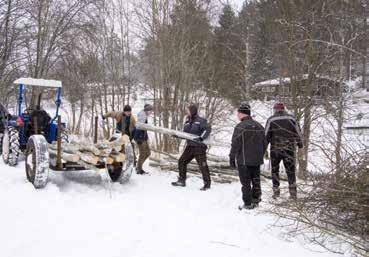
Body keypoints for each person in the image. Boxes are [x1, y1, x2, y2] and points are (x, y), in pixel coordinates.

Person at [229, 103, 267, 210]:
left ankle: (248, 203)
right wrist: (260, 154)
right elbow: (265, 143)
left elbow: (235, 143)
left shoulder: (240, 127)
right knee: (256, 180)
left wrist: (232, 157)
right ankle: (256, 199)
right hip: (256, 160)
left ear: (242, 113)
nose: (237, 115)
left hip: (244, 160)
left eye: (238, 113)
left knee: (245, 183)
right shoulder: (259, 126)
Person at [265, 102, 303, 200]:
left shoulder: (271, 119)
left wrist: (264, 148)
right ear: (284, 109)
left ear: (275, 110)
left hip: (275, 149)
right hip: (289, 148)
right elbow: (298, 132)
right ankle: (293, 193)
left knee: (274, 171)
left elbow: (266, 136)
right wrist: (300, 144)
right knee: (290, 171)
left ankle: (276, 192)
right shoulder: (292, 118)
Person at [172, 104, 212, 191]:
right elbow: (185, 134)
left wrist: (201, 138)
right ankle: (182, 180)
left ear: (192, 111)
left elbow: (208, 129)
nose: (186, 112)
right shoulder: (187, 122)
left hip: (199, 147)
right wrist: (177, 136)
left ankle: (207, 184)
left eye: (188, 110)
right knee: (182, 161)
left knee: (202, 165)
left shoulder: (200, 120)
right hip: (190, 146)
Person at [134, 104, 153, 175]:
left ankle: (138, 167)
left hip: (144, 137)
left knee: (148, 153)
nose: (151, 112)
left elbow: (144, 128)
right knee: (143, 154)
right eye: (150, 111)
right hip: (140, 138)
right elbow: (139, 127)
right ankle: (139, 169)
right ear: (147, 110)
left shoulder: (145, 115)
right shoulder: (142, 115)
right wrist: (138, 139)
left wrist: (146, 137)